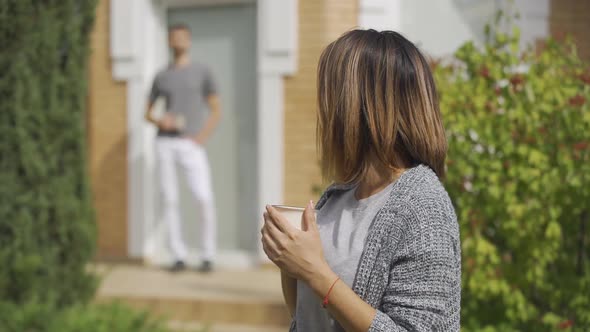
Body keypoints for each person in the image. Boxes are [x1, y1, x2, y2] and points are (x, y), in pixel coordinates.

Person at [261, 29, 461, 331]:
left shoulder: (423, 207)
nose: (324, 108)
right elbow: (307, 317)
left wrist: (316, 273)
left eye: (332, 92)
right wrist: (290, 262)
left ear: (361, 106)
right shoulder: (337, 196)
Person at [145, 24, 221, 273]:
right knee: (170, 198)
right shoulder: (161, 75)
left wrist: (201, 137)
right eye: (173, 37)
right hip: (165, 142)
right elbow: (146, 112)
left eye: (181, 37)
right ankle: (178, 255)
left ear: (188, 40)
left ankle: (207, 254)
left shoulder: (202, 72)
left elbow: (216, 109)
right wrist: (160, 120)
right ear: (169, 41)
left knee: (203, 197)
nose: (177, 40)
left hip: (191, 143)